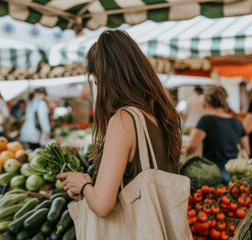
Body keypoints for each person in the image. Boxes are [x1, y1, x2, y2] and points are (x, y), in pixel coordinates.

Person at [56, 30, 181, 218]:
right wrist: (88, 190)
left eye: (97, 83)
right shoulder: (162, 115)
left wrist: (83, 184)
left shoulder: (124, 120)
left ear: (106, 79)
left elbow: (102, 205)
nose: (98, 90)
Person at [186, 86, 250, 184]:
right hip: (233, 175)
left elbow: (191, 146)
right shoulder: (237, 122)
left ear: (207, 103)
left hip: (212, 174)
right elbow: (247, 150)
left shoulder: (206, 120)